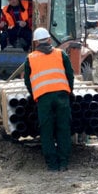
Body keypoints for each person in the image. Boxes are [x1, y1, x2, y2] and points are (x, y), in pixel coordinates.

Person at [24, 27, 75, 171]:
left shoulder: (31, 58)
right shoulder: (61, 54)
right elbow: (70, 75)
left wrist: (35, 95)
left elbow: (28, 81)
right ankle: (64, 163)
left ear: (35, 43)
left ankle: (52, 165)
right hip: (61, 96)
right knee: (63, 128)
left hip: (43, 98)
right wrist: (69, 92)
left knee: (46, 131)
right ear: (49, 39)